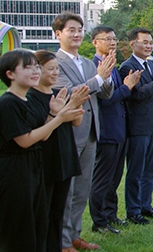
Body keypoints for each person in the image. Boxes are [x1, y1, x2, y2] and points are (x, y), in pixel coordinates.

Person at [0, 49, 84, 252]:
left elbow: (43, 134)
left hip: (34, 168)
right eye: (28, 67)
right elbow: (25, 140)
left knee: (40, 223)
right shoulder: (8, 103)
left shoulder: (24, 100)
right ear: (10, 74)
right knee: (19, 228)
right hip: (15, 171)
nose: (35, 71)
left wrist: (55, 113)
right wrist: (58, 118)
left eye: (36, 66)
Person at [52, 12, 114, 252]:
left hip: (90, 132)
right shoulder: (55, 63)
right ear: (58, 34)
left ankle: (75, 236)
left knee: (82, 189)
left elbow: (104, 93)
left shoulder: (88, 63)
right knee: (66, 191)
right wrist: (99, 78)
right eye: (71, 30)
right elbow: (69, 93)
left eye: (79, 30)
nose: (77, 34)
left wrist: (105, 77)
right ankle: (62, 241)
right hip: (69, 133)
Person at [29, 51, 87, 250]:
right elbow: (42, 131)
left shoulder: (59, 93)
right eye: (50, 69)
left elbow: (77, 121)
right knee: (42, 215)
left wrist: (74, 103)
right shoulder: (30, 97)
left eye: (57, 69)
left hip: (65, 157)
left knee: (58, 213)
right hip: (45, 160)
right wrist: (58, 112)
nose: (55, 73)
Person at [119, 28, 153, 224]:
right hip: (138, 126)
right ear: (132, 44)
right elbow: (136, 95)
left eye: (150, 41)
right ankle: (133, 211)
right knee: (136, 171)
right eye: (144, 41)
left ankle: (145, 205)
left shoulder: (151, 64)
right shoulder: (128, 67)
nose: (148, 45)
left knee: (151, 169)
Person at [89, 26, 141, 234]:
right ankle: (99, 221)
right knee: (102, 179)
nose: (112, 43)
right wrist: (127, 88)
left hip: (120, 129)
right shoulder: (94, 67)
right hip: (106, 130)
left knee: (114, 178)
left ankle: (111, 214)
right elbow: (106, 100)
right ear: (95, 42)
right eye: (106, 39)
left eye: (113, 39)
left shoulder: (113, 65)